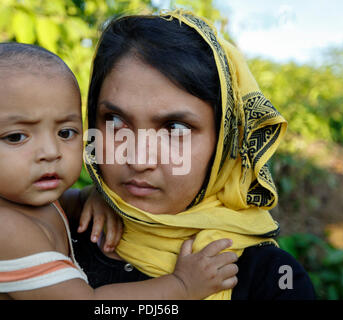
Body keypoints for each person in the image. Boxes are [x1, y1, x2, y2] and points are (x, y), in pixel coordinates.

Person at [0, 42, 238, 300]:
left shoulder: (30, 200)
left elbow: (60, 207)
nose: (50, 153)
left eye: (66, 132)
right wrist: (182, 286)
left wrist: (90, 196)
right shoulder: (0, 229)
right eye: (16, 137)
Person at [62, 10, 316, 300]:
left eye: (175, 128)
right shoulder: (54, 234)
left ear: (224, 140)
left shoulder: (272, 280)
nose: (138, 160)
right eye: (115, 121)